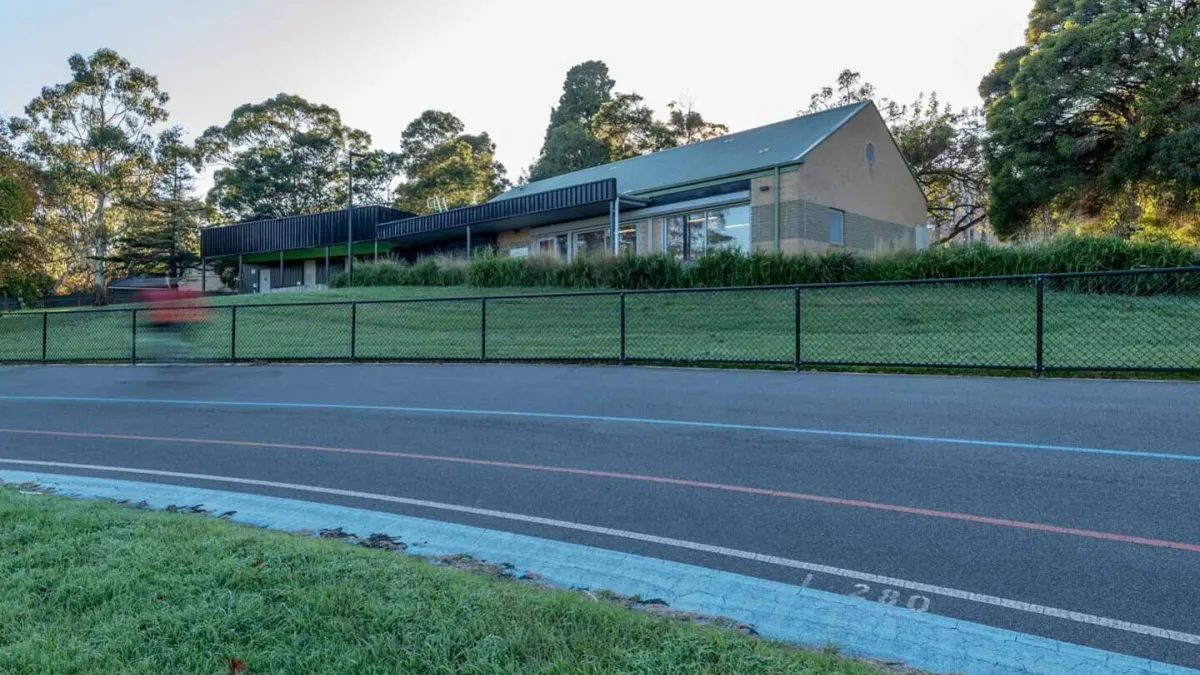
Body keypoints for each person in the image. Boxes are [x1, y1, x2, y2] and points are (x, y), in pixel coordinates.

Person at [134, 283, 209, 361]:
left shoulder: (165, 294)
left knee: (168, 337)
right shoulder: (174, 294)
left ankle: (164, 352)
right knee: (169, 337)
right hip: (165, 320)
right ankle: (174, 353)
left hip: (163, 320)